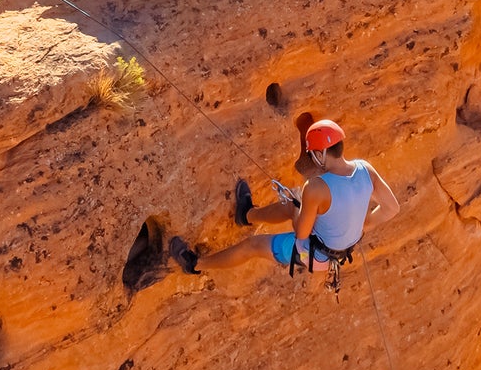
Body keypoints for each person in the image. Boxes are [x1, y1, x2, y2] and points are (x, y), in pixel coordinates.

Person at [168, 117, 399, 280]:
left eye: (313, 155)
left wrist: (300, 205)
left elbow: (301, 233)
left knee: (253, 245)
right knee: (292, 205)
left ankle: (195, 264)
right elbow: (391, 208)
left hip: (313, 254)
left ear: (320, 154)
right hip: (338, 250)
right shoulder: (364, 169)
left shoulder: (317, 187)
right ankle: (246, 214)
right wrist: (361, 223)